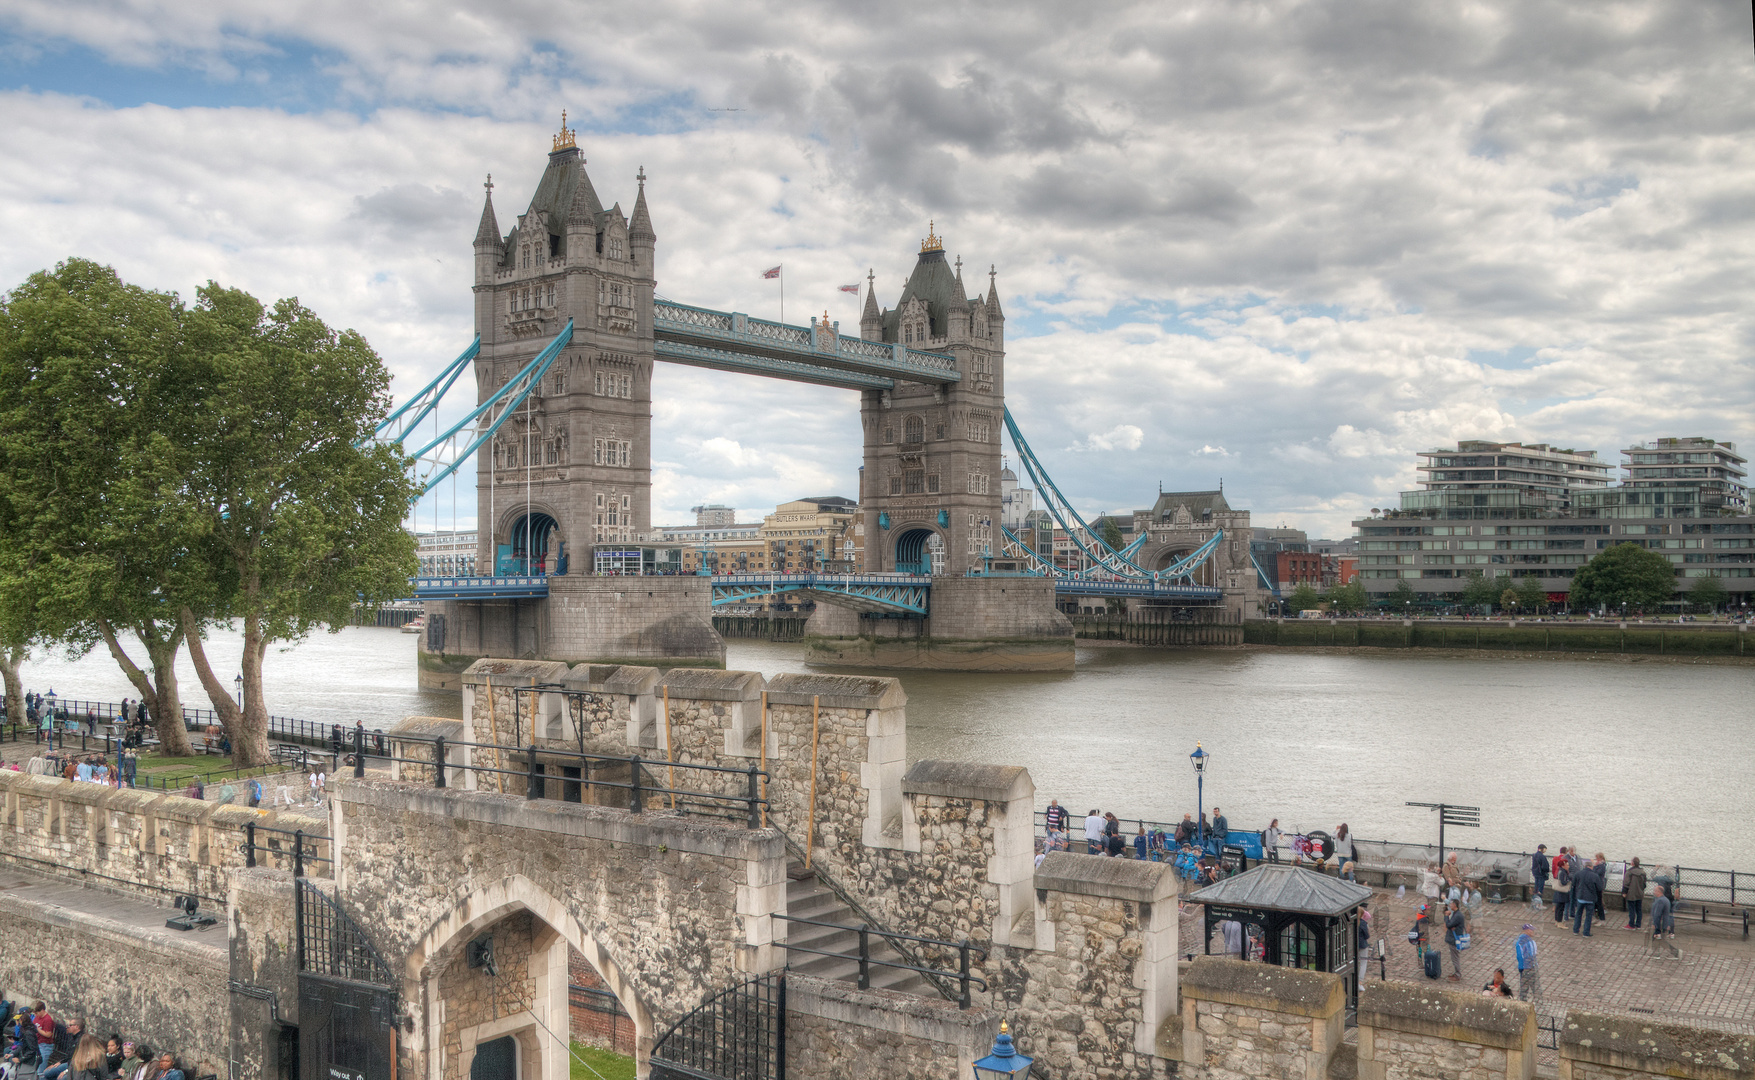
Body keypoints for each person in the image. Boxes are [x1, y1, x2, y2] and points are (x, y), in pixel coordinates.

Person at [1572, 853, 1602, 936]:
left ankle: (1575, 930)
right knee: (1588, 916)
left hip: (1580, 897)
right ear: (1591, 867)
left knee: (1578, 914)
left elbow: (1573, 884)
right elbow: (1599, 888)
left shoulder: (1578, 874)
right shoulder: (1595, 876)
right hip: (1590, 899)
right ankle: (1586, 932)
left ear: (1585, 866)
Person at [1515, 924, 1541, 1003]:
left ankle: (1526, 1002)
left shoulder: (1530, 941)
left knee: (1527, 987)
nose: (1533, 931)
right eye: (1531, 930)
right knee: (1529, 987)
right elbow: (1520, 956)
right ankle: (1532, 1002)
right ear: (1526, 930)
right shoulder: (1522, 942)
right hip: (1528, 967)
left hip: (1530, 967)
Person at [1443, 899, 1466, 981]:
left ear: (1455, 905)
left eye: (1451, 904)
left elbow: (1448, 925)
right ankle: (1456, 973)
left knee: (1455, 957)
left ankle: (1457, 974)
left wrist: (1446, 916)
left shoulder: (1457, 915)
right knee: (1454, 957)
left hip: (1455, 940)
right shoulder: (1456, 914)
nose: (1450, 905)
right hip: (1454, 938)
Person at [1623, 858, 1648, 931]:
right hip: (1640, 893)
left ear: (1632, 863)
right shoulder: (1643, 872)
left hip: (1631, 893)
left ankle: (1631, 925)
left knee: (1631, 909)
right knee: (1639, 909)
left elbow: (1626, 883)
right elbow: (1644, 884)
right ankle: (1638, 924)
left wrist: (1624, 892)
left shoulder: (1630, 872)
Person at [1552, 847, 1573, 924]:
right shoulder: (1563, 872)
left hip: (1559, 892)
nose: (1568, 866)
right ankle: (1559, 922)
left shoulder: (1560, 871)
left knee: (1558, 907)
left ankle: (1557, 921)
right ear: (1563, 865)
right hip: (1562, 892)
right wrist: (1569, 881)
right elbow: (1563, 882)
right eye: (1567, 864)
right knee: (1561, 907)